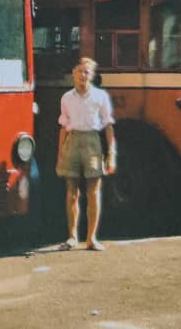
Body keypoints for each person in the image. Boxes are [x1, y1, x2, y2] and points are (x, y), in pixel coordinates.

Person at [55, 57, 116, 251]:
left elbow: (108, 126)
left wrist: (111, 154)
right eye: (80, 71)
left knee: (93, 191)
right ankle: (72, 237)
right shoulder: (66, 98)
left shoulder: (100, 97)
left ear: (92, 75)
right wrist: (60, 155)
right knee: (71, 191)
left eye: (87, 72)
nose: (83, 75)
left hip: (92, 142)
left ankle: (91, 238)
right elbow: (63, 128)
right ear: (73, 73)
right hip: (72, 142)